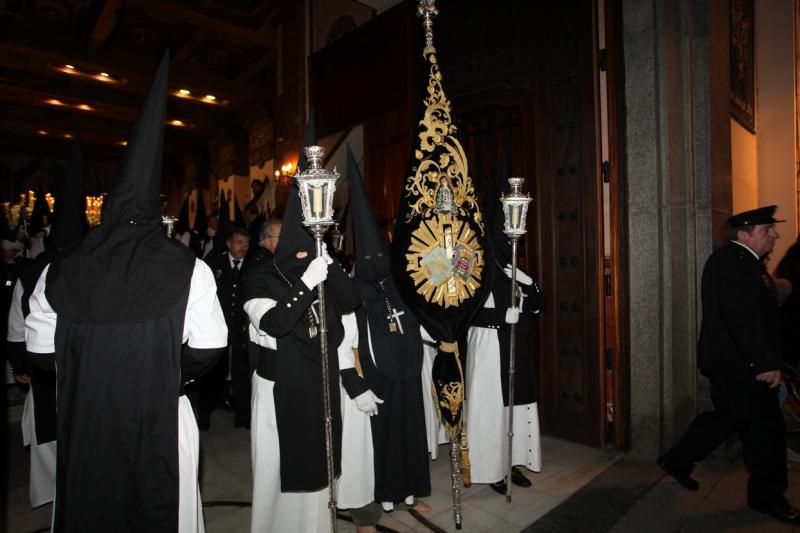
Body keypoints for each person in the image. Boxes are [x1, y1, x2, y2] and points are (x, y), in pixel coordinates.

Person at [24, 53, 228, 533]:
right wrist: (166, 372)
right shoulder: (189, 266)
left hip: (85, 410)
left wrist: (90, 368)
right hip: (159, 409)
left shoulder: (60, 266)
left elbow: (37, 349)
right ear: (157, 213)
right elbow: (210, 345)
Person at [658, 205, 799, 523]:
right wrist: (764, 363)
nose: (773, 235)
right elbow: (743, 320)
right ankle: (767, 498)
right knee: (766, 434)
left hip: (735, 364)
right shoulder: (736, 264)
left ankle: (677, 459)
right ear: (744, 234)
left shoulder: (741, 261)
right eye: (766, 230)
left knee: (727, 419)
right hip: (743, 366)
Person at [242, 184, 360, 533]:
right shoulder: (256, 278)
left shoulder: (319, 270)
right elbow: (275, 323)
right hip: (279, 389)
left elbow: (352, 300)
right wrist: (307, 283)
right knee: (279, 470)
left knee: (320, 464)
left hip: (316, 381)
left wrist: (329, 262)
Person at [346, 147, 431, 511]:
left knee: (411, 429)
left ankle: (411, 489)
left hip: (409, 369)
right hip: (378, 373)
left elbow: (418, 317)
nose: (375, 262)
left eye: (379, 255)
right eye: (368, 258)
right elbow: (348, 338)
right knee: (385, 433)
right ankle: (385, 493)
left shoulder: (399, 282)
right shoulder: (354, 291)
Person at [7, 134, 87, 509]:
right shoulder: (33, 273)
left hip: (68, 368)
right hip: (58, 369)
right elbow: (19, 326)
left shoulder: (34, 269)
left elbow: (15, 328)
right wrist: (23, 365)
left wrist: (20, 365)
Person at [199, 226, 251, 430]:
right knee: (213, 373)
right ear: (229, 244)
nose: (243, 247)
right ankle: (204, 414)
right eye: (239, 243)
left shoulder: (252, 266)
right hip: (218, 327)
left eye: (246, 243)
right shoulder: (215, 265)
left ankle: (243, 416)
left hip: (240, 329)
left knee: (241, 374)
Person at [336, 311, 381, 533]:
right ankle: (363, 514)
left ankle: (400, 497)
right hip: (349, 377)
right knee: (356, 450)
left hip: (381, 366)